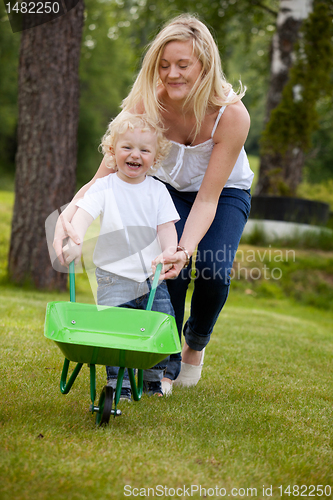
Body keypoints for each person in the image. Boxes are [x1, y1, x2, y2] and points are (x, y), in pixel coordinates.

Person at [54, 14, 253, 395]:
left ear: (205, 66)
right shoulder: (145, 105)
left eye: (183, 65)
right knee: (164, 270)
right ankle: (164, 362)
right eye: (164, 65)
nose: (172, 74)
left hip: (223, 193)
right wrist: (71, 213)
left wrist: (185, 248)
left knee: (212, 269)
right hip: (163, 188)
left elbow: (208, 198)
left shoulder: (231, 115)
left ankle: (195, 344)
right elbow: (103, 177)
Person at [62, 112, 179, 398]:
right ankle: (119, 384)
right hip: (114, 278)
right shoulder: (104, 187)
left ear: (156, 156)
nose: (135, 155)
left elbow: (166, 228)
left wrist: (169, 250)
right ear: (113, 151)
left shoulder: (158, 191)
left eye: (144, 150)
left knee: (159, 326)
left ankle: (153, 379)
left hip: (152, 277)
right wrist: (75, 241)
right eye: (127, 147)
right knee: (114, 333)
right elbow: (84, 215)